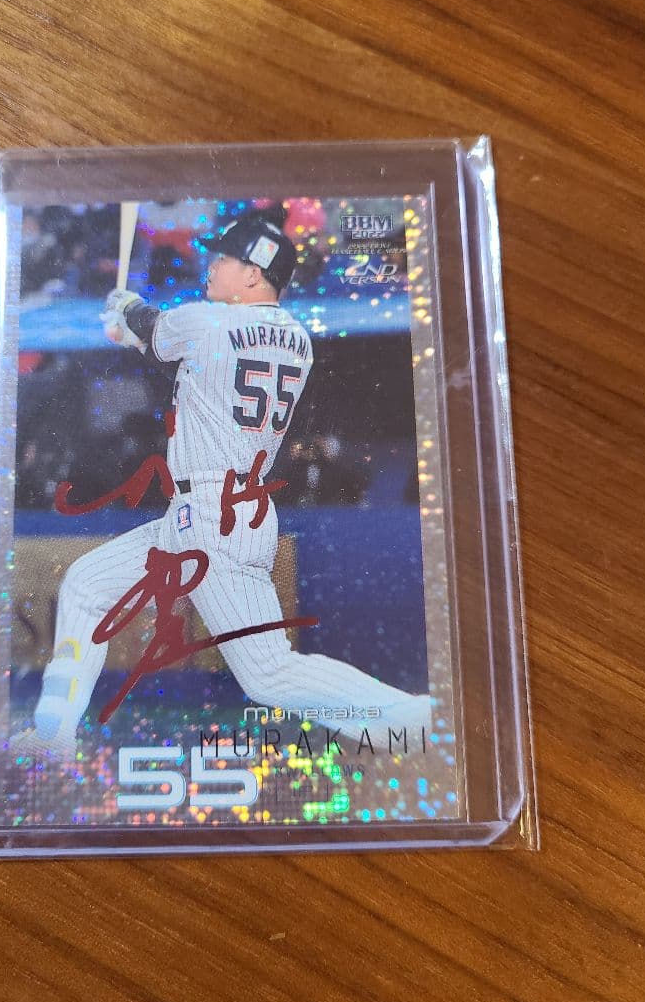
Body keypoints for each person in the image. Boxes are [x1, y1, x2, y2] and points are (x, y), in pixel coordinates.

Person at [22, 212, 431, 759]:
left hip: (213, 517)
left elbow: (158, 329)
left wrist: (125, 309)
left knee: (268, 673)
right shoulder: (296, 340)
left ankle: (409, 718)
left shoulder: (207, 321)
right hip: (227, 510)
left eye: (225, 259)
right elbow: (194, 359)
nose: (212, 266)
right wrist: (135, 331)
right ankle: (52, 735)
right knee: (86, 584)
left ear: (254, 273)